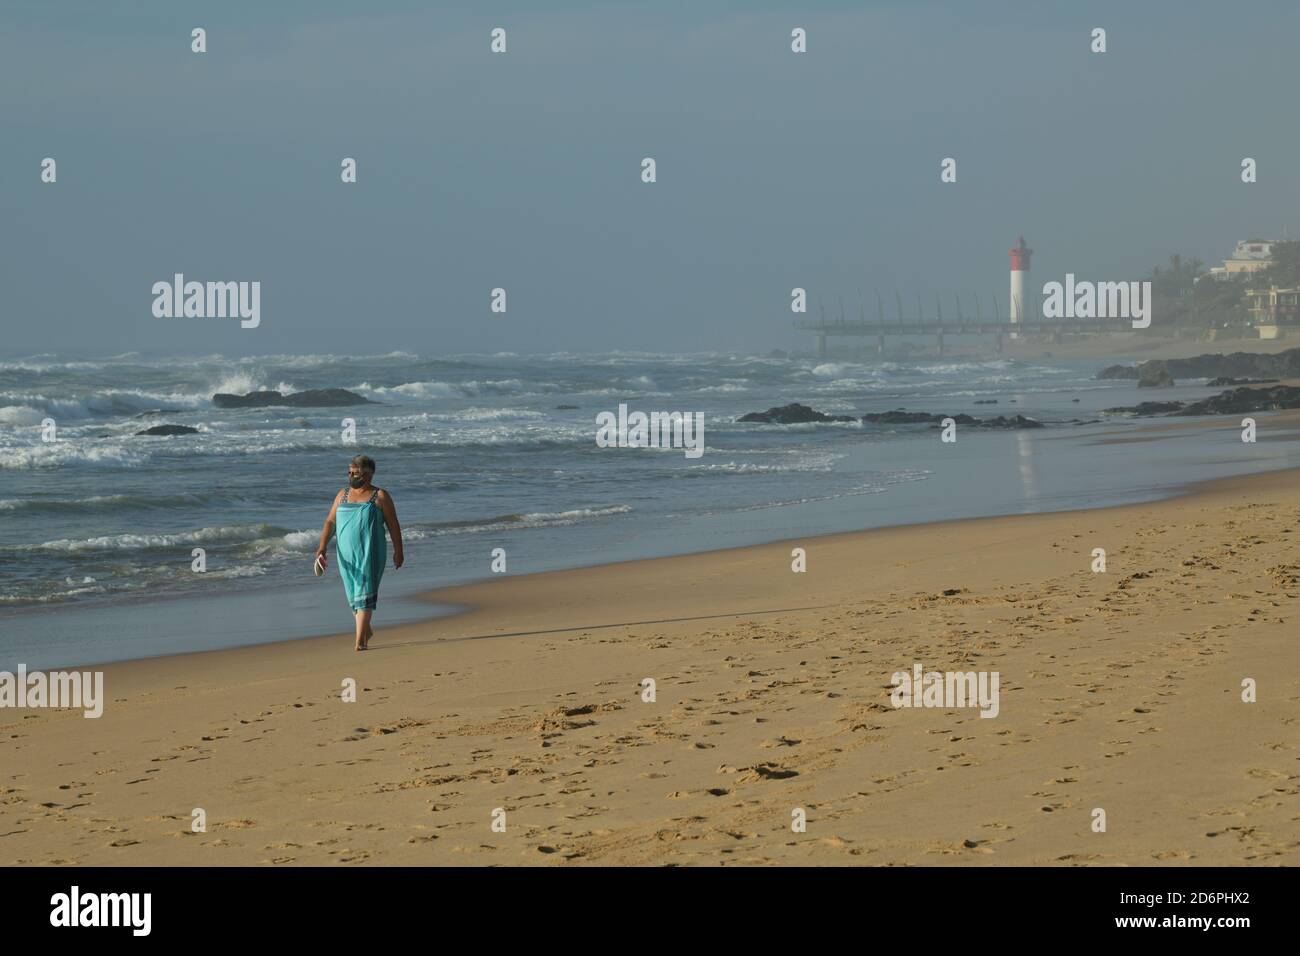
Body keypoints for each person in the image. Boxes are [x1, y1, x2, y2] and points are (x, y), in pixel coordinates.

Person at [315, 455, 404, 651]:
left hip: (370, 553)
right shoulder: (342, 495)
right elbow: (330, 522)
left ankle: (360, 642)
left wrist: (399, 550)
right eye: (350, 472)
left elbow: (393, 525)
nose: (352, 476)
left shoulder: (380, 496)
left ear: (369, 474)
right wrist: (322, 547)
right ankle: (365, 630)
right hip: (345, 555)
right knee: (352, 596)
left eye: (356, 472)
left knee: (364, 594)